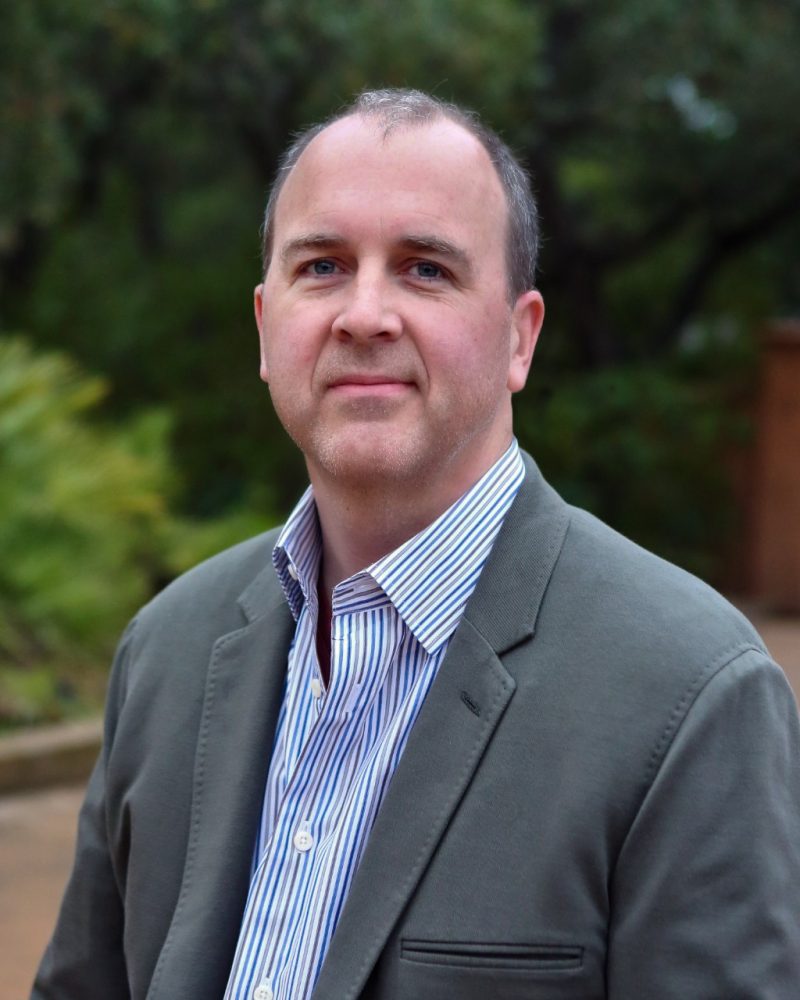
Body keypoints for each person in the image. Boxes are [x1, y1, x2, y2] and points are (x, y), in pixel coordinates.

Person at [33, 89, 800, 1000]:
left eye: (425, 270)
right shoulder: (165, 650)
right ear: (265, 328)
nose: (364, 314)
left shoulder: (691, 695)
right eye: (321, 266)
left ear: (520, 338)